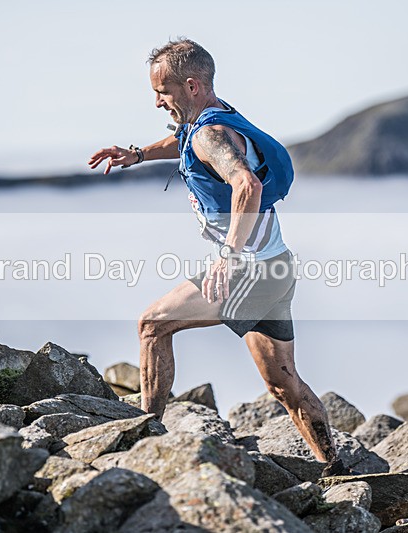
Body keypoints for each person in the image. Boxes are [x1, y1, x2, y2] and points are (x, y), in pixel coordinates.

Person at [89, 38, 353, 477]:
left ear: (191, 86)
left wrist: (228, 256)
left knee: (153, 325)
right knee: (283, 384)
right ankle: (337, 468)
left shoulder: (212, 133)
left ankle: (144, 443)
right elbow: (184, 143)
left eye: (163, 91)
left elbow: (246, 184)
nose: (156, 101)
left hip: (249, 271)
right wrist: (136, 155)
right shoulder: (212, 120)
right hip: (276, 267)